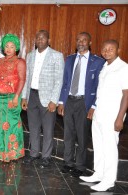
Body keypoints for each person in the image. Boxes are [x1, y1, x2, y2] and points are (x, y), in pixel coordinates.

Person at [80, 40, 128, 192]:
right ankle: (99, 174)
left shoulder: (123, 68)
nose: (107, 51)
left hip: (112, 114)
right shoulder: (104, 67)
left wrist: (120, 117)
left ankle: (109, 180)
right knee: (98, 145)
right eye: (104, 49)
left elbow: (126, 95)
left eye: (111, 49)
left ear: (118, 50)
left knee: (109, 147)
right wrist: (94, 108)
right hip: (99, 112)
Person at [57, 32, 105, 177]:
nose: (81, 42)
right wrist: (61, 101)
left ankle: (80, 165)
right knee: (68, 134)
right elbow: (65, 82)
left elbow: (99, 86)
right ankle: (68, 162)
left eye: (84, 40)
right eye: (78, 40)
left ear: (89, 43)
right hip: (69, 100)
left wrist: (94, 106)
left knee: (82, 135)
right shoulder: (70, 59)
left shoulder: (97, 61)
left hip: (85, 102)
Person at [21, 30, 64, 168]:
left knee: (47, 129)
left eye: (43, 38)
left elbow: (59, 80)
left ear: (48, 40)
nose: (40, 40)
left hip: (47, 99)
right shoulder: (30, 55)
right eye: (37, 38)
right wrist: (24, 97)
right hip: (32, 96)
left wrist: (54, 100)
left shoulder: (57, 56)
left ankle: (46, 156)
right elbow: (26, 78)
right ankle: (34, 154)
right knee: (33, 127)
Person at [0, 34, 26, 162]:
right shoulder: (0, 61)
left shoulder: (20, 62)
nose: (8, 49)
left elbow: (22, 80)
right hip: (1, 96)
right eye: (6, 46)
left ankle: (12, 153)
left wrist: (16, 97)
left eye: (12, 46)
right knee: (0, 122)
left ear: (16, 48)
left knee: (12, 123)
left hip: (13, 96)